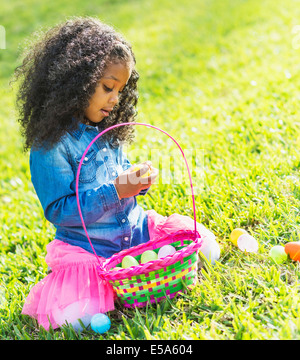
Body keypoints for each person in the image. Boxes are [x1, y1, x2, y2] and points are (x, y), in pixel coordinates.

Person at [14, 17, 218, 331]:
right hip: (91, 250)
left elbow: (119, 176)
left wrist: (136, 181)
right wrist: (115, 191)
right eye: (108, 87)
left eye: (120, 90)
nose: (115, 98)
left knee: (204, 246)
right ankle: (102, 286)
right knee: (75, 318)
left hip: (136, 235)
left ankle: (130, 271)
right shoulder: (50, 145)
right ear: (76, 81)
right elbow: (58, 210)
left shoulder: (107, 130)